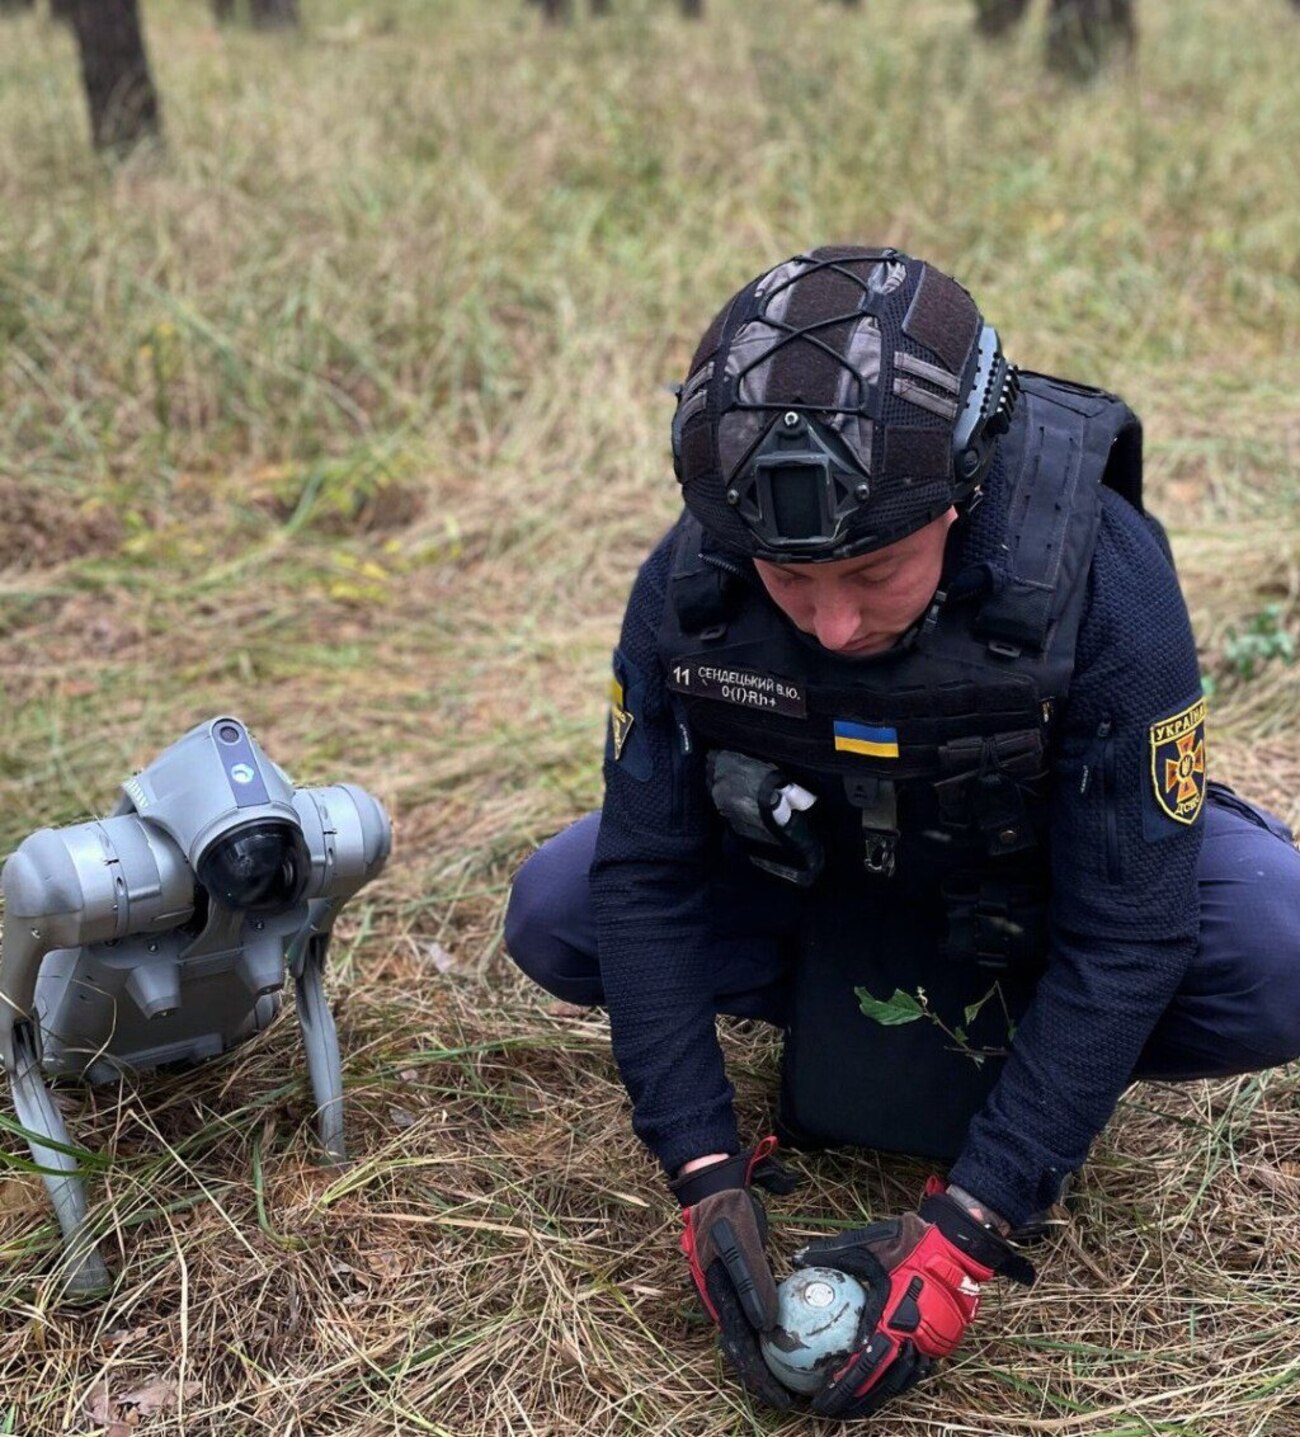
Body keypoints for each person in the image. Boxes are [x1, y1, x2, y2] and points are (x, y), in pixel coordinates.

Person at [503, 246, 1300, 1418]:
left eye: (875, 571)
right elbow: (646, 874)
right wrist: (702, 1170)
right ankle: (875, 1001)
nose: (829, 624)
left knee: (1278, 946)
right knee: (557, 910)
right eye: (789, 576)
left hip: (1038, 887)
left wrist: (971, 1228)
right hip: (823, 871)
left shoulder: (1104, 581)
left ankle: (1007, 1034)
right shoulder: (692, 584)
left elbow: (1131, 932)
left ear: (962, 490)